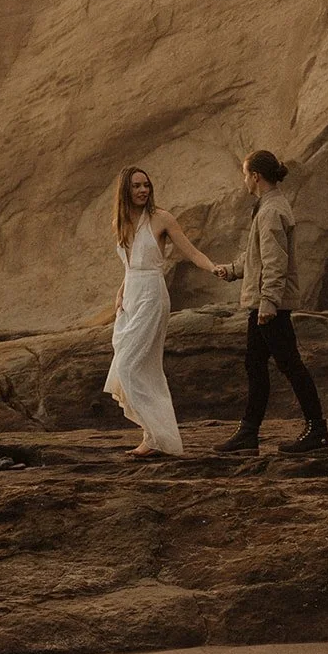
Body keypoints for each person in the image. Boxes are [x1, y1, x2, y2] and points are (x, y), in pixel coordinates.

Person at [212, 149, 328, 455]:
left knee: (290, 365)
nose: (244, 180)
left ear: (255, 176)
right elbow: (257, 258)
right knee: (255, 365)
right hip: (263, 303)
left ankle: (316, 430)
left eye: (245, 174)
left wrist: (268, 302)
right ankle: (248, 433)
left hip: (268, 306)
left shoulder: (271, 211)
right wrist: (233, 270)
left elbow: (274, 261)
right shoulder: (268, 207)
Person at [108, 165, 219, 457]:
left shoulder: (161, 219)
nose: (143, 190)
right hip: (130, 296)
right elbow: (130, 264)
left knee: (130, 366)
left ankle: (158, 436)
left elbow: (191, 252)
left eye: (146, 185)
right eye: (136, 186)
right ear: (125, 191)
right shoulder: (121, 222)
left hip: (152, 295)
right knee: (134, 365)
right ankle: (153, 437)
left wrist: (214, 268)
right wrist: (120, 291)